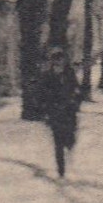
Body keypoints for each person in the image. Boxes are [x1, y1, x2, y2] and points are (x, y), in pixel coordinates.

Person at [36, 46, 82, 177]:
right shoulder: (47, 76)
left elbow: (76, 89)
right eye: (56, 59)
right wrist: (44, 109)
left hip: (69, 111)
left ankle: (69, 144)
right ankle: (60, 170)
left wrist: (76, 102)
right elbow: (41, 94)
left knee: (70, 138)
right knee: (58, 142)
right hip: (54, 112)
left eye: (61, 59)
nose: (58, 62)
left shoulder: (70, 73)